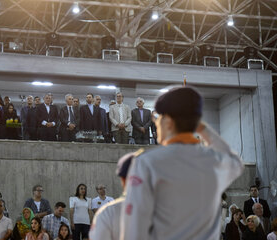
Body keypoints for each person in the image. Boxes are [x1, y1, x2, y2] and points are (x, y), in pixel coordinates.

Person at [120, 86, 244, 240]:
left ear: (169, 122)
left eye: (159, 118)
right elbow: (236, 163)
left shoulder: (146, 162)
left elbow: (134, 225)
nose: (157, 123)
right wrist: (202, 128)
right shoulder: (214, 160)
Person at [89, 151, 136, 240]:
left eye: (104, 188)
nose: (103, 190)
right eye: (100, 188)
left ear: (122, 179)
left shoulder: (110, 207)